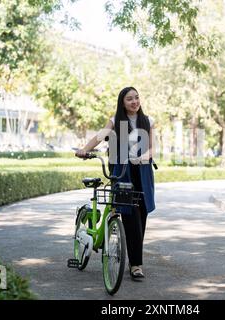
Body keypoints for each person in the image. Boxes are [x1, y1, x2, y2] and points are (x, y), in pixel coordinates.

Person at [76, 87, 156, 281]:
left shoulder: (148, 121)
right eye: (130, 99)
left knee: (141, 216)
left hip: (142, 173)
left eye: (137, 97)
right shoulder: (115, 121)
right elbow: (99, 136)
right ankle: (136, 265)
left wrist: (141, 157)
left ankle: (133, 259)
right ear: (122, 102)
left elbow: (152, 149)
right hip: (122, 173)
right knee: (130, 215)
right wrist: (84, 150)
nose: (135, 101)